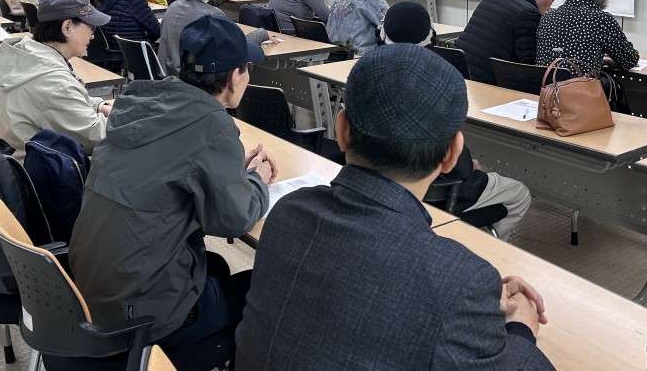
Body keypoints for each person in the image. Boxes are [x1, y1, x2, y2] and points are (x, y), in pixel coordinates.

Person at [235, 44, 554, 370]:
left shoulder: (288, 211)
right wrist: (520, 329)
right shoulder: (459, 279)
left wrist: (473, 311)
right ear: (453, 154)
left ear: (341, 130)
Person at [70, 15, 277, 370]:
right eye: (247, 69)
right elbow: (234, 220)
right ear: (233, 78)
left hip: (87, 292)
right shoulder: (211, 125)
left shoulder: (139, 105)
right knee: (267, 290)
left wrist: (226, 169)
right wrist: (257, 179)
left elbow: (169, 170)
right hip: (140, 316)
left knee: (217, 266)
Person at [379, 1, 531, 240]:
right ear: (430, 40)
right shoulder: (437, 85)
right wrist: (469, 166)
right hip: (433, 192)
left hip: (383, 186)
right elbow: (457, 167)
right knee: (520, 193)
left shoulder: (371, 77)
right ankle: (485, 254)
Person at [0, 0, 113, 157]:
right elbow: (96, 138)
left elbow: (62, 105)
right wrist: (132, 119)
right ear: (67, 27)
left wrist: (99, 106)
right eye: (91, 27)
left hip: (25, 161)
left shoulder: (31, 54)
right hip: (42, 175)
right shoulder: (54, 83)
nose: (93, 36)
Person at [158, 0, 271, 76]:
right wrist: (262, 33)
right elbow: (238, 46)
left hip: (167, 75)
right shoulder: (212, 15)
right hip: (193, 79)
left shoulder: (173, 7)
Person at [456, 0, 561, 83]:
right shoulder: (528, 13)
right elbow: (528, 67)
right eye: (552, 0)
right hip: (487, 84)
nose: (549, 8)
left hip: (461, 74)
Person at [535, 0, 639, 72]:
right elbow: (629, 60)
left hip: (546, 85)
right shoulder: (602, 20)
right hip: (580, 86)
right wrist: (606, 61)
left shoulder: (547, 17)